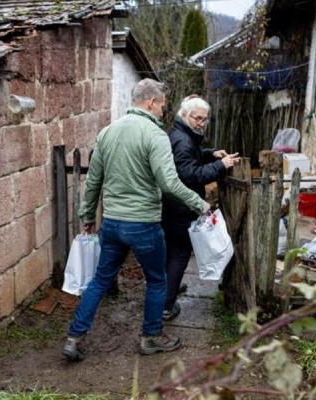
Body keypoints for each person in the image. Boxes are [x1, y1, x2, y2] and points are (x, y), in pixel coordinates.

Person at [62, 79, 210, 361]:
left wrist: (86, 216)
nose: (164, 112)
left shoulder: (108, 132)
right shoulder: (155, 136)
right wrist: (199, 203)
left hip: (113, 224)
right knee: (157, 281)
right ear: (151, 102)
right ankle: (151, 337)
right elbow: (169, 183)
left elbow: (93, 180)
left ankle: (74, 337)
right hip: (143, 225)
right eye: (163, 105)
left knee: (99, 281)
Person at [161, 96, 238, 320]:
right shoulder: (183, 141)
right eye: (198, 118)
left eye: (205, 119)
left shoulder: (181, 134)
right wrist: (220, 166)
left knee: (171, 252)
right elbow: (190, 175)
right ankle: (166, 305)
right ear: (185, 115)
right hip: (180, 208)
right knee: (180, 254)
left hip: (171, 206)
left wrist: (210, 153)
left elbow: (191, 156)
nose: (202, 123)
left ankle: (169, 289)